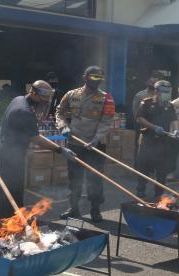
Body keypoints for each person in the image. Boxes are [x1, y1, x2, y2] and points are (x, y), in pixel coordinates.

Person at [0, 80, 76, 220]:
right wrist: (60, 149)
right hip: (11, 155)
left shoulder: (18, 99)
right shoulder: (25, 111)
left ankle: (10, 218)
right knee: (11, 189)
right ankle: (9, 220)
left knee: (9, 188)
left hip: (6, 150)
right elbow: (36, 138)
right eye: (44, 98)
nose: (46, 102)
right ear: (33, 93)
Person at [56, 66, 115, 222]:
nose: (96, 81)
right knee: (74, 178)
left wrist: (97, 138)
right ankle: (73, 208)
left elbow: (106, 121)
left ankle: (95, 210)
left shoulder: (106, 98)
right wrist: (63, 127)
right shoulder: (71, 95)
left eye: (99, 79)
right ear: (85, 78)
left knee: (95, 180)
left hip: (95, 145)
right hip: (75, 143)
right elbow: (59, 112)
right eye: (93, 78)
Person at [136, 80, 178, 198]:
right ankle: (141, 189)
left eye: (168, 92)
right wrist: (154, 127)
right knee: (143, 166)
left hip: (163, 141)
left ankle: (159, 192)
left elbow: (174, 119)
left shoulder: (169, 106)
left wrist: (175, 130)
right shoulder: (146, 103)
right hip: (147, 140)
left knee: (162, 169)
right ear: (156, 92)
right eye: (164, 92)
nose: (167, 94)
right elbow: (140, 118)